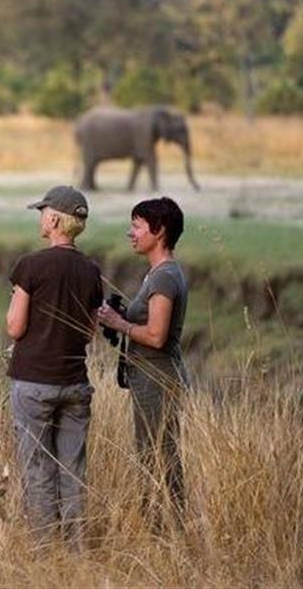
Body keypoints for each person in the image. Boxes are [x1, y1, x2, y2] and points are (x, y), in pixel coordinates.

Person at [5, 185, 103, 547]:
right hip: (75, 383)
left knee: (37, 469)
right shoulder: (92, 271)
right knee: (72, 470)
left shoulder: (30, 266)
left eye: (42, 212)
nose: (40, 218)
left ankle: (46, 551)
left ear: (55, 219)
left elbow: (15, 327)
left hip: (33, 382)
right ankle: (77, 551)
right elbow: (90, 332)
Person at [97, 196, 189, 525]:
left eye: (136, 226)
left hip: (158, 380)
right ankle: (160, 531)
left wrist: (119, 324)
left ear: (159, 231)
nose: (131, 233)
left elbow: (156, 336)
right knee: (153, 455)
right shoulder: (158, 274)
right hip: (148, 378)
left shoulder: (164, 276)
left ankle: (166, 532)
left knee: (160, 458)